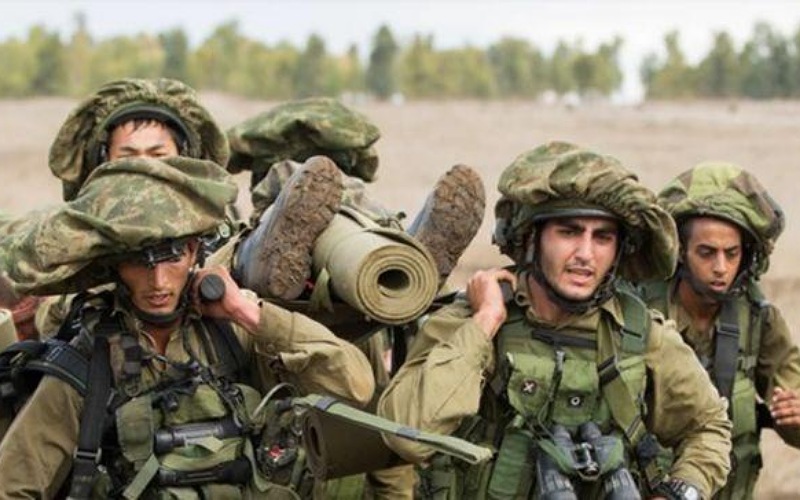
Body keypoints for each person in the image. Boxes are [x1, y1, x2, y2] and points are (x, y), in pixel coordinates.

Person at [0, 156, 375, 498]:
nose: (159, 281)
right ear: (114, 265)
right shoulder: (89, 364)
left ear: (195, 250)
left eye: (172, 256)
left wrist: (250, 314)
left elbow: (354, 385)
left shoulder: (231, 335)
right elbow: (14, 487)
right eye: (139, 261)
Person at [377, 141, 732, 499]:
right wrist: (484, 322)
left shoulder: (640, 335)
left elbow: (709, 426)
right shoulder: (471, 321)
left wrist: (680, 492)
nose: (585, 254)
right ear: (532, 238)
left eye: (603, 237)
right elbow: (406, 436)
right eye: (569, 232)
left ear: (618, 251)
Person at [638, 161, 800, 499]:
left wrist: (793, 421)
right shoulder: (638, 317)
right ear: (680, 252)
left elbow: (791, 398)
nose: (721, 268)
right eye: (706, 253)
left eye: (732, 253)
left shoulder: (758, 320)